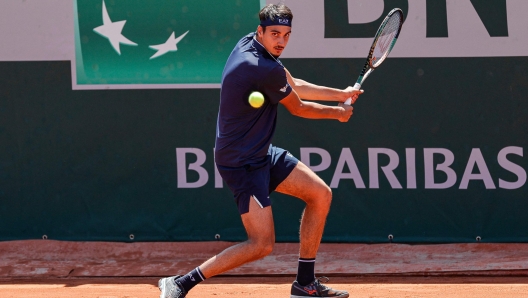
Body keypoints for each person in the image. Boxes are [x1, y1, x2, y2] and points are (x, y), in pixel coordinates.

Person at [159, 3, 363, 298]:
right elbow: (299, 107)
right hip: (241, 162)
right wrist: (338, 113)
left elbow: (292, 84)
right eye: (275, 34)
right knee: (261, 244)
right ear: (261, 32)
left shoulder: (252, 46)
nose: (281, 41)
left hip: (260, 153)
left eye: (287, 34)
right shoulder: (262, 68)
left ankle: (305, 284)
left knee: (320, 194)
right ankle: (180, 282)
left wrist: (339, 94)